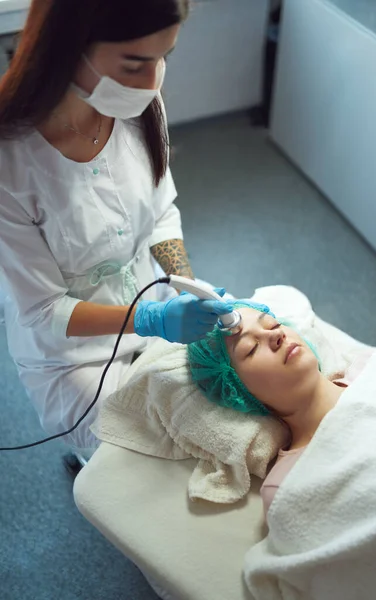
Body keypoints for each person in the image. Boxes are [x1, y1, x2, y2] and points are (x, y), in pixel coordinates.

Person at [0, 0, 233, 449]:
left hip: (154, 298)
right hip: (71, 354)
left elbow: (161, 212)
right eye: (135, 63)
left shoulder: (138, 104)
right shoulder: (11, 163)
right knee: (137, 452)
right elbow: (45, 310)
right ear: (69, 47)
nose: (152, 82)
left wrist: (184, 282)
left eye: (164, 57)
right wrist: (151, 320)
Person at [188, 301, 374, 522]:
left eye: (272, 324)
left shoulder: (374, 366)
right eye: (251, 348)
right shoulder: (287, 486)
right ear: (236, 389)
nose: (277, 336)